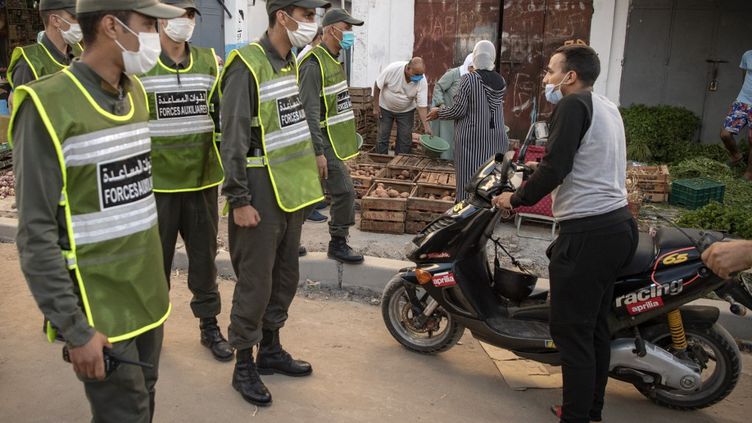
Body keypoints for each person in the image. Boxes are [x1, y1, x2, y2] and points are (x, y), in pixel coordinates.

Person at [11, 0, 184, 421]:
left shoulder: (136, 93)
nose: (157, 35)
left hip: (146, 300)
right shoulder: (46, 106)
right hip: (97, 311)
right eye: (148, 24)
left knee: (146, 398)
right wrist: (75, 329)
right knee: (125, 413)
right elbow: (36, 233)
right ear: (111, 25)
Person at [492, 45, 638, 423]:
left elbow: (556, 166)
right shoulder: (606, 106)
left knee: (572, 332)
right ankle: (590, 410)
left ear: (570, 77)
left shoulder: (572, 106)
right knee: (594, 329)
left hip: (588, 232)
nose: (546, 79)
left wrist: (515, 197)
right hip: (617, 226)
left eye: (551, 71)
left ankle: (575, 417)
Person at [220, 0, 329, 407]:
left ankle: (270, 349)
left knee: (285, 276)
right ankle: (243, 363)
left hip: (290, 192)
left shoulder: (290, 63)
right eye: (306, 15)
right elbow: (231, 138)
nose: (312, 23)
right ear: (282, 16)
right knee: (256, 281)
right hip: (258, 192)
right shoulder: (245, 66)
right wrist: (238, 199)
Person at [137, 0, 232, 362]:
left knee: (204, 260)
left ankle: (209, 326)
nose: (185, 21)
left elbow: (221, 117)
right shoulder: (142, 65)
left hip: (202, 181)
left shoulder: (209, 61)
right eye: (178, 13)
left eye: (191, 14)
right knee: (153, 264)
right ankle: (150, 332)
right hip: (155, 186)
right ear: (161, 20)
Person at [299, 8, 365, 264]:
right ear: (330, 30)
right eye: (346, 29)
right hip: (320, 142)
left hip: (332, 143)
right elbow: (309, 111)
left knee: (309, 196)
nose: (350, 34)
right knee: (345, 192)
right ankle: (337, 243)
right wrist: (317, 152)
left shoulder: (333, 59)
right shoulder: (314, 64)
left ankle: (286, 240)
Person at [427, 41, 508, 201]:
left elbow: (458, 110)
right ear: (491, 58)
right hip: (497, 139)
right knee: (490, 179)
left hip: (472, 140)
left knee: (469, 179)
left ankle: (466, 214)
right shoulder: (501, 81)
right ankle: (487, 214)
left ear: (475, 57)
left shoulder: (468, 80)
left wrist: (439, 112)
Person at [7, 0, 83, 89]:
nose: (81, 23)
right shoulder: (28, 64)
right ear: (55, 20)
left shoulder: (80, 51)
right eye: (75, 18)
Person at [373, 57, 432, 155]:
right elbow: (377, 85)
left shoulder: (421, 80)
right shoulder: (393, 69)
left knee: (405, 140)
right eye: (416, 74)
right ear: (408, 69)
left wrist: (426, 126)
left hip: (406, 111)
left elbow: (422, 106)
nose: (419, 77)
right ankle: (380, 160)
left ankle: (399, 161)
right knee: (382, 136)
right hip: (385, 108)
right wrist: (376, 106)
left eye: (421, 74)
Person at [430, 53, 474, 160]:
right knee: (446, 139)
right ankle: (444, 164)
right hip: (447, 113)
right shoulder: (454, 74)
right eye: (471, 67)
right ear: (467, 65)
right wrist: (441, 105)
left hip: (461, 115)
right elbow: (438, 87)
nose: (473, 70)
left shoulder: (475, 78)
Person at [720, 49, 752, 180]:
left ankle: (749, 173)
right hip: (742, 102)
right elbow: (744, 76)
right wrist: (738, 100)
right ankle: (736, 155)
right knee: (725, 134)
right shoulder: (747, 55)